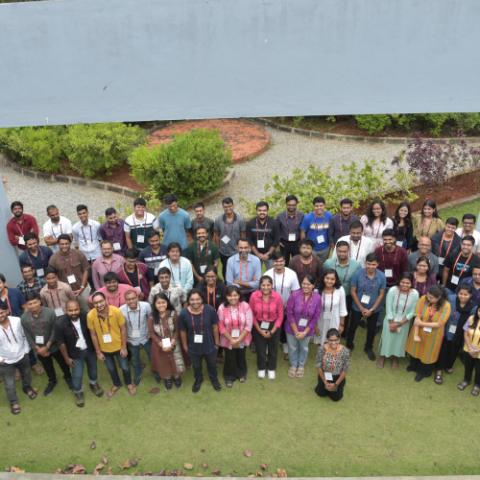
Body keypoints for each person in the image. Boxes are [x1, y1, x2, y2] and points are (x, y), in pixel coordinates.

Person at [21, 294, 73, 395]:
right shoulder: (23, 318)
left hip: (54, 345)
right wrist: (37, 348)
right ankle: (52, 381)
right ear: (26, 305)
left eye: (35, 302)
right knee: (47, 366)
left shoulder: (50, 312)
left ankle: (68, 377)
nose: (33, 305)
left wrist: (47, 346)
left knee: (62, 363)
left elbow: (55, 330)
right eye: (30, 304)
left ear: (40, 301)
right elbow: (27, 335)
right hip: (39, 349)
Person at [87, 291, 136, 397]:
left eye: (101, 301)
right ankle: (116, 384)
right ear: (93, 304)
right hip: (104, 349)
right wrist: (98, 352)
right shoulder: (90, 315)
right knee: (111, 369)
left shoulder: (116, 311)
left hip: (119, 347)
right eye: (96, 303)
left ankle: (128, 383)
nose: (99, 305)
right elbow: (93, 335)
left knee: (125, 367)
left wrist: (124, 347)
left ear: (106, 300)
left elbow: (123, 329)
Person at [56, 300, 104, 407]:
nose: (73, 312)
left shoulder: (86, 316)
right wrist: (66, 358)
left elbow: (94, 332)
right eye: (70, 310)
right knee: (77, 375)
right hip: (75, 354)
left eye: (76, 309)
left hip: (90, 350)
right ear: (65, 310)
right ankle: (78, 392)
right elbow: (61, 343)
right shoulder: (59, 323)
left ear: (79, 308)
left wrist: (98, 350)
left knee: (93, 369)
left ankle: (93, 384)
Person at [178, 289, 222, 393]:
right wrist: (185, 346)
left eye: (198, 299)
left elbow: (215, 327)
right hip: (193, 347)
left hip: (209, 344)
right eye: (192, 299)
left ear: (202, 299)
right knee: (196, 366)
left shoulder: (210, 310)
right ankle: (198, 379)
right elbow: (182, 331)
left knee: (212, 364)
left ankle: (214, 379)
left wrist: (217, 342)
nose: (195, 302)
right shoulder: (183, 313)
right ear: (188, 300)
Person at [405, 285, 450, 382]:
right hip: (419, 329)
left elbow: (440, 323)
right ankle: (413, 366)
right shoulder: (423, 299)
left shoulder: (446, 305)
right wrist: (416, 333)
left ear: (439, 297)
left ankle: (423, 372)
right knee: (415, 348)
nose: (428, 299)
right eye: (428, 296)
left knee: (428, 352)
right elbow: (417, 315)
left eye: (431, 298)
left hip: (434, 334)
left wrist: (422, 323)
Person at [0, 301, 37, 415]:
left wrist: (26, 351)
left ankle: (27, 388)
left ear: (7, 311)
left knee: (26, 374)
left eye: (1, 312)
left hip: (22, 355)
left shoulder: (17, 321)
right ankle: (14, 402)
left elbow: (25, 336)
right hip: (6, 361)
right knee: (9, 383)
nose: (0, 316)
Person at [347, 253, 386, 360]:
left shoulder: (382, 276)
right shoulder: (357, 274)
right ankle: (349, 345)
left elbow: (381, 294)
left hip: (374, 309)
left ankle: (368, 347)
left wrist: (372, 309)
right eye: (368, 264)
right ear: (365, 263)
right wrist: (361, 308)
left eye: (373, 264)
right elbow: (353, 291)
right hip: (357, 307)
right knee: (353, 327)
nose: (371, 267)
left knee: (372, 329)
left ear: (377, 264)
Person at [377, 273, 419, 368]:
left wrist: (400, 323)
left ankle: (395, 357)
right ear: (399, 282)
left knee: (399, 340)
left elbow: (413, 311)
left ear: (411, 283)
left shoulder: (415, 294)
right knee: (387, 338)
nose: (405, 285)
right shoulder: (393, 290)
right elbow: (388, 307)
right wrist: (392, 323)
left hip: (404, 321)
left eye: (407, 283)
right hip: (390, 318)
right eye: (403, 282)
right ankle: (383, 356)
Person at [435, 285, 474, 384]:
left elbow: (472, 321)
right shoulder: (451, 299)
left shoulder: (473, 307)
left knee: (454, 350)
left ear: (470, 295)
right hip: (446, 329)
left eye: (466, 294)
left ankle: (448, 366)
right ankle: (439, 370)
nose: (463, 296)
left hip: (460, 334)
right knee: (443, 349)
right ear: (457, 293)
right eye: (461, 293)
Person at [285, 274, 321, 378]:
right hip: (292, 328)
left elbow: (316, 316)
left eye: (308, 284)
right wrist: (296, 331)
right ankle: (293, 365)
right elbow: (289, 313)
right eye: (304, 283)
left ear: (313, 285)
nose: (305, 286)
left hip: (307, 330)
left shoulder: (317, 298)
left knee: (304, 348)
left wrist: (305, 332)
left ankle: (301, 366)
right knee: (292, 347)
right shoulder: (294, 295)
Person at [217, 285, 253, 387]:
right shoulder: (222, 307)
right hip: (227, 338)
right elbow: (220, 326)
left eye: (235, 295)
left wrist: (239, 339)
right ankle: (229, 376)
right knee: (229, 357)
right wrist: (231, 339)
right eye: (230, 295)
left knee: (241, 356)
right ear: (226, 296)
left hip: (243, 337)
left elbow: (249, 324)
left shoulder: (245, 306)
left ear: (239, 295)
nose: (233, 298)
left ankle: (241, 373)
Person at [249, 275, 284, 379]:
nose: (266, 287)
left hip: (274, 325)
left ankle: (271, 368)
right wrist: (260, 331)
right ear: (260, 286)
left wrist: (272, 331)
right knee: (260, 348)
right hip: (258, 324)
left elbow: (280, 315)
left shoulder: (277, 297)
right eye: (263, 285)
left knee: (273, 348)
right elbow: (251, 314)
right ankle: (261, 367)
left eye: (268, 285)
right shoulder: (254, 296)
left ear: (272, 285)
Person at [148, 292, 185, 389]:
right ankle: (167, 378)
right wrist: (160, 343)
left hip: (173, 341)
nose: (161, 305)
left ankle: (176, 377)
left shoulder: (173, 314)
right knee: (163, 361)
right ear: (154, 304)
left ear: (167, 303)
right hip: (159, 343)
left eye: (163, 302)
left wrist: (173, 341)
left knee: (175, 360)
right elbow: (151, 333)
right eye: (158, 303)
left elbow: (177, 329)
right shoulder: (151, 317)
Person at [323, 240, 361, 334]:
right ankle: (328, 330)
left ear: (348, 251)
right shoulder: (328, 263)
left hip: (348, 295)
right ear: (336, 251)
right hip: (331, 293)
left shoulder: (356, 265)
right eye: (340, 251)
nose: (342, 254)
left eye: (344, 251)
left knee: (345, 313)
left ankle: (342, 332)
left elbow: (358, 281)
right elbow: (323, 277)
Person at [48, 234, 91, 309]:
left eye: (66, 243)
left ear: (70, 243)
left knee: (86, 309)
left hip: (82, 289)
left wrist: (82, 287)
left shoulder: (78, 253)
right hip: (66, 292)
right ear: (58, 244)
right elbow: (53, 276)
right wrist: (63, 289)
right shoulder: (53, 258)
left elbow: (86, 270)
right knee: (71, 311)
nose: (64, 246)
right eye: (62, 244)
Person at [120, 289, 152, 385]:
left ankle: (156, 372)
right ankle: (138, 374)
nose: (131, 301)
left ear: (137, 297)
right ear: (125, 300)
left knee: (152, 356)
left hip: (146, 338)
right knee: (135, 359)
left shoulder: (146, 306)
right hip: (131, 340)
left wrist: (150, 332)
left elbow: (150, 318)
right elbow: (122, 326)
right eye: (128, 299)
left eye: (133, 298)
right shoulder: (121, 310)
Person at [213, 197, 247, 280]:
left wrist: (242, 250)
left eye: (230, 206)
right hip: (223, 251)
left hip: (236, 251)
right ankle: (226, 284)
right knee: (225, 269)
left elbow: (243, 236)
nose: (228, 208)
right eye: (225, 207)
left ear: (233, 205)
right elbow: (216, 235)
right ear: (223, 207)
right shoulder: (218, 220)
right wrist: (217, 249)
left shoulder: (240, 220)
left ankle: (237, 284)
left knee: (237, 270)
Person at [314, 328, 350, 402]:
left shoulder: (345, 351)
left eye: (336, 340)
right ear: (327, 340)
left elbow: (345, 370)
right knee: (320, 393)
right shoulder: (321, 349)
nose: (333, 342)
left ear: (339, 339)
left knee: (336, 398)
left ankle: (337, 387)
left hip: (338, 376)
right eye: (331, 340)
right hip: (325, 375)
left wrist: (336, 384)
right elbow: (319, 366)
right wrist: (325, 381)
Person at [316, 269, 347, 346]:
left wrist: (341, 325)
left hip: (334, 321)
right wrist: (315, 325)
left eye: (332, 279)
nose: (329, 281)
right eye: (327, 278)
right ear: (323, 278)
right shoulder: (317, 290)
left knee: (332, 342)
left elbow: (342, 309)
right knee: (321, 341)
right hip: (320, 321)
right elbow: (313, 310)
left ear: (336, 280)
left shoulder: (340, 290)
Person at [300, 196, 332, 265]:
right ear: (313, 206)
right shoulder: (308, 218)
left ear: (324, 206)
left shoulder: (329, 216)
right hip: (312, 248)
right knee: (312, 265)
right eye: (316, 206)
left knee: (323, 265)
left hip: (325, 248)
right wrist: (304, 246)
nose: (319, 208)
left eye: (321, 206)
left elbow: (331, 230)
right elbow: (303, 232)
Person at [246, 201, 279, 269]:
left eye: (264, 210)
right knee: (255, 274)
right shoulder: (250, 223)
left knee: (271, 274)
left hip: (270, 255)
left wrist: (268, 254)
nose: (262, 212)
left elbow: (276, 240)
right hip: (255, 255)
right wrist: (258, 254)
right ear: (256, 211)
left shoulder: (274, 223)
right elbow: (249, 240)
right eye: (260, 210)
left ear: (267, 211)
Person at [458, 306, 480, 395]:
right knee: (468, 366)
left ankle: (477, 385)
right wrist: (470, 348)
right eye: (479, 310)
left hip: (478, 351)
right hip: (468, 349)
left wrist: (477, 350)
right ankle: (466, 380)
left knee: (479, 369)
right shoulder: (471, 318)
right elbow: (465, 333)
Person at [276, 195, 304, 265]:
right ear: (286, 204)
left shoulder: (301, 215)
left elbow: (303, 230)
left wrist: (302, 243)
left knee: (297, 263)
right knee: (284, 264)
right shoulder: (280, 216)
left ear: (297, 204)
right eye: (289, 205)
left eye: (293, 205)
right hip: (284, 244)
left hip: (297, 243)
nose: (291, 207)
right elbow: (276, 230)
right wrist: (278, 242)